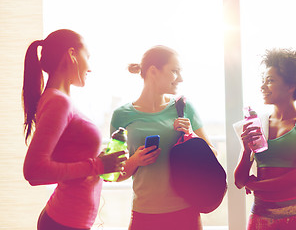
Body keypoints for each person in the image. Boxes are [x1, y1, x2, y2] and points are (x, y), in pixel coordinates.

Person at [22, 29, 127, 230]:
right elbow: (33, 171)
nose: (90, 67)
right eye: (87, 56)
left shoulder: (58, 99)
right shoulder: (58, 102)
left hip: (67, 221)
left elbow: (71, 159)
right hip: (64, 224)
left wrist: (103, 163)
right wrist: (97, 165)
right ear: (72, 54)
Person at [110, 45, 216, 230]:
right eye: (175, 71)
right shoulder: (121, 115)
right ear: (153, 71)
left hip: (186, 214)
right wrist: (135, 160)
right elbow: (114, 174)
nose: (180, 78)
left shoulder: (184, 108)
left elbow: (212, 155)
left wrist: (190, 135)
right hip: (144, 215)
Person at [234, 48, 296, 230]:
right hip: (259, 215)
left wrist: (257, 186)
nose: (263, 86)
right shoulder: (258, 124)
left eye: (270, 81)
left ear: (291, 86)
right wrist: (246, 150)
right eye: (263, 81)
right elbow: (239, 181)